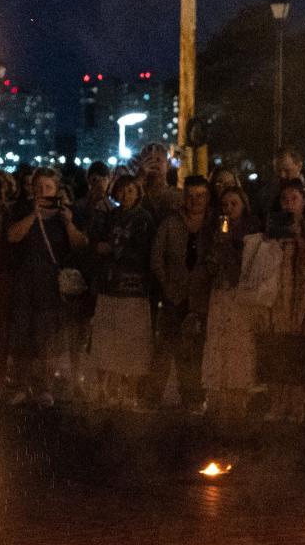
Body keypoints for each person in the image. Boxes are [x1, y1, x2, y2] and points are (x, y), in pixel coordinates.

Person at [4, 166, 86, 405]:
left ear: (56, 190)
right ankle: (22, 385)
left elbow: (80, 246)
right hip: (24, 285)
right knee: (22, 338)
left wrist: (68, 223)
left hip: (50, 288)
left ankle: (45, 387)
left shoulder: (64, 215)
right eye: (39, 187)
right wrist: (34, 215)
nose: (43, 191)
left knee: (48, 340)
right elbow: (12, 236)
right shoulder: (21, 210)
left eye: (48, 187)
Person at [256, 178, 305, 421]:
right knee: (276, 347)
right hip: (278, 295)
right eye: (284, 199)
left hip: (304, 294)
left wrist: (299, 238)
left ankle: (298, 404)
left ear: (304, 201)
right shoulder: (272, 225)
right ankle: (277, 402)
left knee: (300, 349)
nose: (288, 203)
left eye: (294, 198)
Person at [147, 175, 213, 410]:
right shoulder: (170, 223)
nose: (195, 201)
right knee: (166, 346)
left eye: (200, 196)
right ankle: (152, 397)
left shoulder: (214, 224)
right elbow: (157, 257)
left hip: (202, 296)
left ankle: (193, 397)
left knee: (195, 349)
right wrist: (167, 284)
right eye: (191, 196)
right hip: (174, 294)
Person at [89, 172, 154, 407]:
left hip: (134, 289)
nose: (126, 195)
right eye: (122, 190)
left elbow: (143, 251)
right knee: (107, 339)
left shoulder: (144, 219)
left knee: (133, 342)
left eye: (130, 190)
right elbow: (96, 242)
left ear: (138, 193)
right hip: (110, 286)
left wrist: (115, 250)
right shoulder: (110, 216)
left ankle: (131, 391)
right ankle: (108, 389)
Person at [201, 181, 261, 419]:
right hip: (220, 291)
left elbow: (250, 264)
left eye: (233, 204)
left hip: (241, 292)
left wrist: (232, 247)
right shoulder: (214, 230)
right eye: (225, 204)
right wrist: (217, 246)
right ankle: (217, 392)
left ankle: (238, 394)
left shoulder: (252, 232)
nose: (229, 208)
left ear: (243, 205)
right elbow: (209, 265)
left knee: (239, 343)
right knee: (218, 340)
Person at [258, 146, 305, 220]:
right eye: (278, 170)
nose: (282, 175)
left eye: (287, 171)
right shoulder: (267, 193)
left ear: (299, 166)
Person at [137, 142, 178, 219]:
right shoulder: (135, 194)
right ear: (142, 164)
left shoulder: (178, 196)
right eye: (149, 160)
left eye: (158, 160)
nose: (154, 163)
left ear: (168, 164)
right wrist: (140, 178)